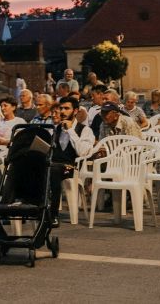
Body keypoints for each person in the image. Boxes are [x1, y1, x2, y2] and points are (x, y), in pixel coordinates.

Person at [48, 97, 94, 227]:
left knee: (53, 170)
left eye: (66, 108)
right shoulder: (56, 129)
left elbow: (82, 152)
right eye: (61, 108)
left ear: (75, 111)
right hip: (54, 165)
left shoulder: (85, 130)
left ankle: (53, 214)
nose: (62, 111)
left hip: (71, 167)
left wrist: (71, 131)